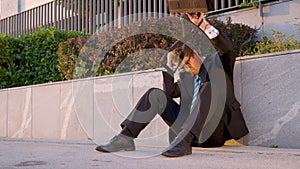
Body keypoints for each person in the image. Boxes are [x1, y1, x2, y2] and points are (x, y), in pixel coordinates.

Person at [95, 13, 249, 157]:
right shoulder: (187, 77)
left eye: (188, 63)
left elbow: (227, 49)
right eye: (184, 66)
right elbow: (168, 94)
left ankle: (185, 141)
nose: (188, 69)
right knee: (154, 94)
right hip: (182, 133)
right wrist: (168, 66)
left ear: (195, 53)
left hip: (212, 132)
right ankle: (125, 138)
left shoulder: (217, 64)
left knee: (209, 87)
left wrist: (202, 24)